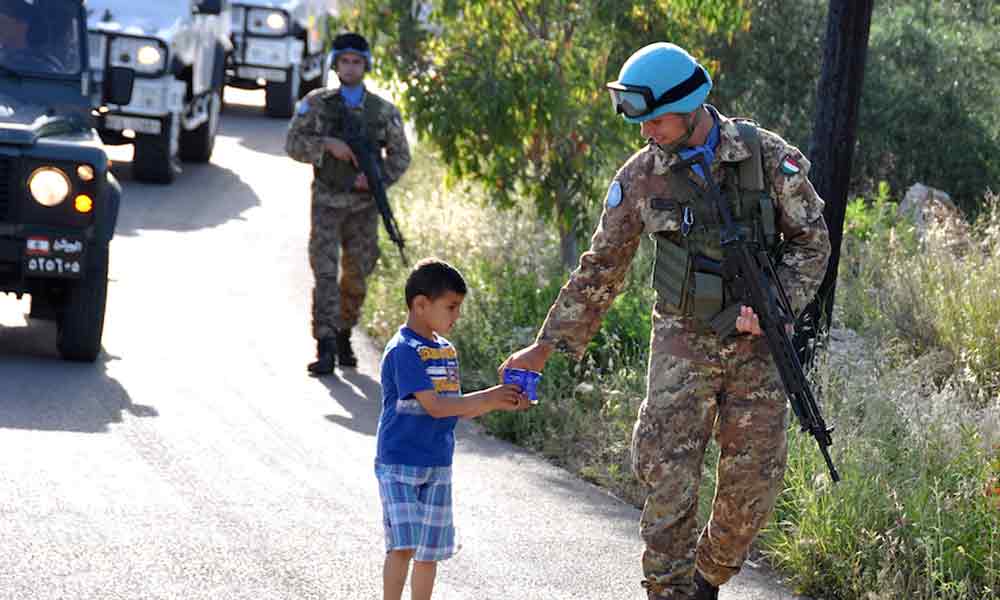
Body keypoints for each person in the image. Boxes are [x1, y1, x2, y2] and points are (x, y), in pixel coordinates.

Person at [500, 43, 831, 600]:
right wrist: (544, 346)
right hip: (682, 339)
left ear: (690, 105)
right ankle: (669, 590)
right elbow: (601, 267)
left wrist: (775, 305)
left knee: (754, 488)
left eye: (655, 119)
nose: (646, 131)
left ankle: (708, 576)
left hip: (757, 347)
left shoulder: (767, 157)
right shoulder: (641, 177)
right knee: (668, 478)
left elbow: (812, 242)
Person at [376, 258, 528, 600]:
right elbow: (435, 406)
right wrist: (488, 396)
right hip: (399, 463)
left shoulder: (446, 351)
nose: (456, 315)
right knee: (403, 545)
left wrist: (502, 401)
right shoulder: (404, 351)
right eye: (451, 307)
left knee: (429, 552)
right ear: (420, 305)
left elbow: (456, 407)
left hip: (438, 463)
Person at [285, 32, 411, 375]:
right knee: (325, 273)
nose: (351, 67)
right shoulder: (317, 104)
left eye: (357, 62)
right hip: (327, 202)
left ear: (365, 65)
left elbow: (400, 156)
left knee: (357, 274)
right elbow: (293, 143)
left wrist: (374, 179)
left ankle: (343, 332)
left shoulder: (381, 111)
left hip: (363, 207)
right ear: (335, 65)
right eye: (345, 61)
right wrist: (326, 145)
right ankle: (325, 345)